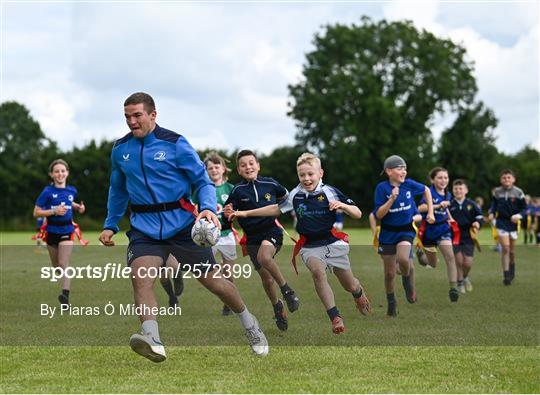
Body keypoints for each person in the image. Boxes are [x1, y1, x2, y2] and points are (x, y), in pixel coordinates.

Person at [99, 92, 268, 362]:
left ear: (153, 115)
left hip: (182, 226)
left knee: (214, 283)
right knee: (140, 278)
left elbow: (201, 180)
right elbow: (117, 190)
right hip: (144, 228)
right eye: (127, 116)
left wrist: (207, 208)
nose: (131, 121)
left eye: (137, 115)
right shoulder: (121, 150)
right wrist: (110, 224)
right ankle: (152, 338)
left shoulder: (176, 143)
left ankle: (250, 324)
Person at [228, 153, 370, 334]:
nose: (306, 178)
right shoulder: (295, 194)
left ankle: (357, 292)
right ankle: (335, 317)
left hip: (333, 243)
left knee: (349, 285)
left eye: (310, 174)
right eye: (302, 175)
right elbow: (276, 209)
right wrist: (245, 214)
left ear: (320, 173)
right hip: (310, 246)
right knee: (318, 273)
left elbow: (357, 213)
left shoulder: (330, 192)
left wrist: (343, 206)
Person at [223, 150, 300, 332]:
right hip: (251, 239)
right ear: (239, 171)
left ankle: (287, 291)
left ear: (258, 165)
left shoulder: (271, 183)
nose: (248, 167)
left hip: (271, 232)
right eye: (243, 165)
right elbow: (228, 212)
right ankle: (277, 306)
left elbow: (286, 199)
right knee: (266, 280)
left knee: (265, 257)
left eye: (251, 163)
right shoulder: (237, 191)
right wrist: (227, 214)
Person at [374, 155, 434, 316]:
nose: (403, 171)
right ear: (389, 171)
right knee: (389, 273)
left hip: (406, 230)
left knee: (402, 259)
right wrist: (391, 199)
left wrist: (430, 211)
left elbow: (427, 190)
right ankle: (391, 302)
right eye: (399, 168)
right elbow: (379, 214)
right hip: (387, 233)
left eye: (405, 168)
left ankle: (408, 282)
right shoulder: (381, 188)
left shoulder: (409, 185)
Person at [34, 159, 86, 307]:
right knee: (57, 266)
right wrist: (53, 211)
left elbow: (70, 203)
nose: (60, 174)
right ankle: (62, 279)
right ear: (51, 174)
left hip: (67, 230)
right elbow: (36, 212)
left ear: (67, 173)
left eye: (63, 171)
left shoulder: (72, 190)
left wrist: (79, 208)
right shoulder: (47, 192)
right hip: (51, 231)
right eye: (57, 171)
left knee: (64, 263)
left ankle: (65, 297)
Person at [416, 167, 460, 302]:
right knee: (432, 263)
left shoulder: (448, 194)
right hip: (429, 232)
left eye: (446, 178)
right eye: (440, 177)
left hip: (443, 230)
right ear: (432, 179)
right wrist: (437, 206)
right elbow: (420, 208)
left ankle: (453, 288)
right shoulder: (428, 192)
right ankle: (421, 257)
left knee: (450, 257)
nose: (443, 180)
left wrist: (450, 218)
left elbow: (445, 210)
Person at [203, 151, 237, 316]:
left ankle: (228, 303)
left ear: (223, 169)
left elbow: (238, 210)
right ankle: (225, 298)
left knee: (228, 272)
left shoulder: (230, 189)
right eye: (210, 168)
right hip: (209, 236)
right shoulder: (203, 189)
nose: (214, 170)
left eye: (217, 167)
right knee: (210, 272)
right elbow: (194, 208)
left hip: (227, 234)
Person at [488, 169, 526, 285]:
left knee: (512, 251)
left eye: (509, 177)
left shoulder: (519, 192)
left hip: (514, 223)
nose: (506, 180)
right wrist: (491, 212)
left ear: (513, 179)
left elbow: (525, 209)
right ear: (501, 180)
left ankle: (512, 268)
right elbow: (493, 206)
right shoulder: (497, 192)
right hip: (501, 222)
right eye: (504, 178)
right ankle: (506, 275)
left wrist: (518, 216)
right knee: (505, 248)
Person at [449, 179, 483, 293]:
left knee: (467, 263)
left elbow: (479, 216)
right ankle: (459, 283)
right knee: (458, 261)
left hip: (468, 236)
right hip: (454, 236)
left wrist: (477, 223)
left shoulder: (471, 204)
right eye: (456, 188)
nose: (458, 191)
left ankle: (465, 277)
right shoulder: (449, 204)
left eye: (460, 188)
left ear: (466, 190)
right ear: (452, 190)